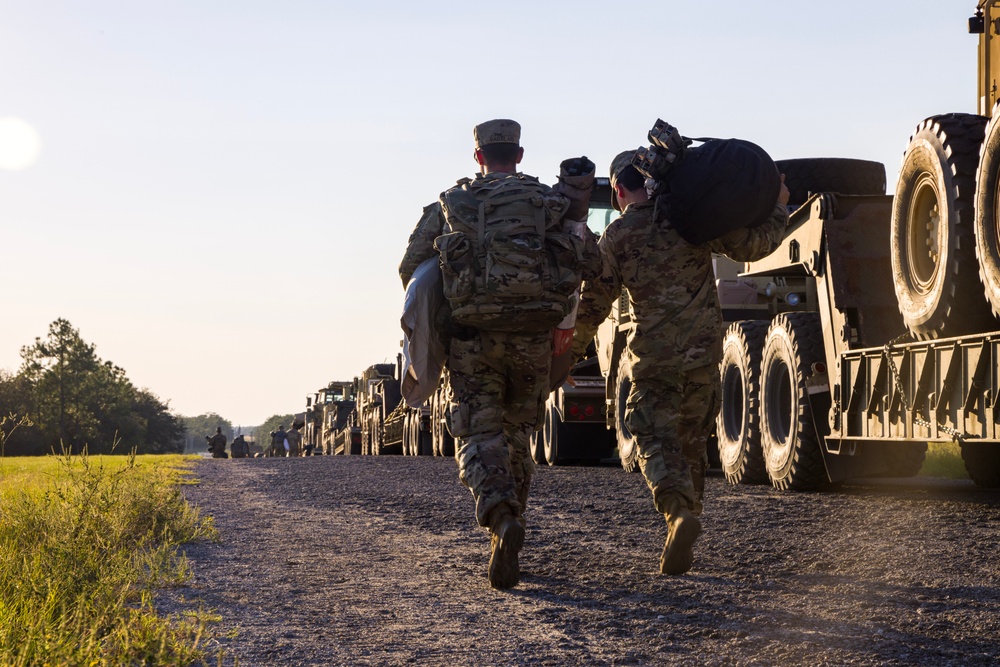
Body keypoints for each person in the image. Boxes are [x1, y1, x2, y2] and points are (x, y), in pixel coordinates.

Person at [571, 150, 791, 576]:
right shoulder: (690, 220)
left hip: (653, 359)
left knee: (652, 437)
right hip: (704, 355)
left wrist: (566, 354)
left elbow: (593, 304)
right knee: (691, 443)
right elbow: (754, 244)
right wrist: (779, 204)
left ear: (618, 191)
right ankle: (686, 526)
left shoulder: (617, 236)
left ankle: (676, 514)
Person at [399, 119, 596, 589]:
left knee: (477, 430)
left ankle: (501, 515)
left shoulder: (453, 204)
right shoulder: (550, 202)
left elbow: (410, 267)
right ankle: (509, 526)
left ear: (479, 157)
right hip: (533, 338)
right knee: (517, 432)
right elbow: (583, 260)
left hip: (473, 337)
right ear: (520, 155)